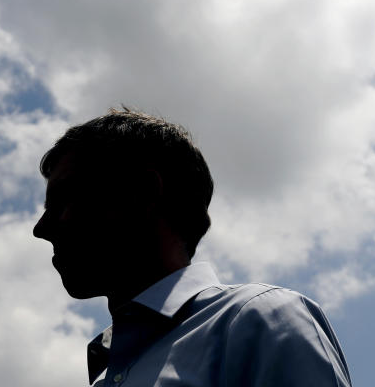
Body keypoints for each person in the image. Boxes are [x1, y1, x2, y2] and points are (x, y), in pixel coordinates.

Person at [33, 108, 352, 386]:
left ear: (142, 193)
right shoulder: (105, 375)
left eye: (62, 200)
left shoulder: (258, 319)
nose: (40, 229)